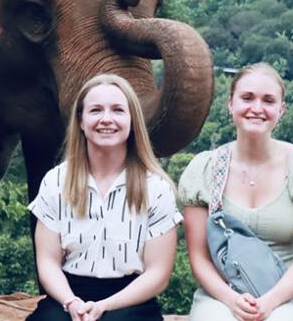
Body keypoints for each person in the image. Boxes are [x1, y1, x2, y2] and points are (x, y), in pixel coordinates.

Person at [179, 62, 293, 321]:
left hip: (286, 293)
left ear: (281, 110)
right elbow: (198, 257)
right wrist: (232, 300)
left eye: (268, 100)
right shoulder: (205, 169)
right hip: (222, 293)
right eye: (247, 98)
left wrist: (270, 302)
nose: (257, 108)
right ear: (230, 104)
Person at [26, 74, 181, 321]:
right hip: (68, 296)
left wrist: (104, 306)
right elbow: (47, 261)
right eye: (96, 110)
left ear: (132, 120)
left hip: (132, 300)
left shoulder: (157, 188)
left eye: (118, 110)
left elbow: (158, 274)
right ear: (80, 121)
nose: (106, 119)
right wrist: (71, 303)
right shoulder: (55, 182)